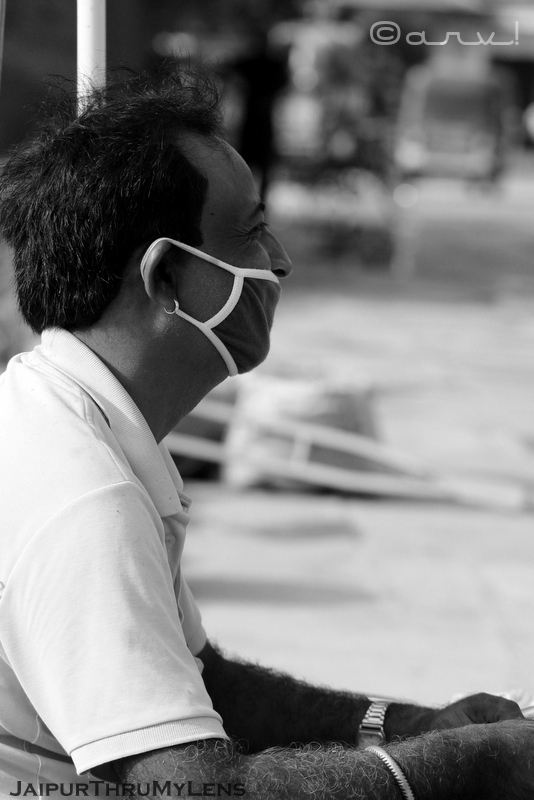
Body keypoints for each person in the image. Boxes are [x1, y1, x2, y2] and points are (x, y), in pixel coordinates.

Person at [0, 68, 533, 800]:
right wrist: (485, 763)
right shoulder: (86, 497)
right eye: (250, 233)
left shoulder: (67, 417)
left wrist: (409, 726)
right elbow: (197, 791)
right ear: (165, 277)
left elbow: (200, 680)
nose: (279, 260)